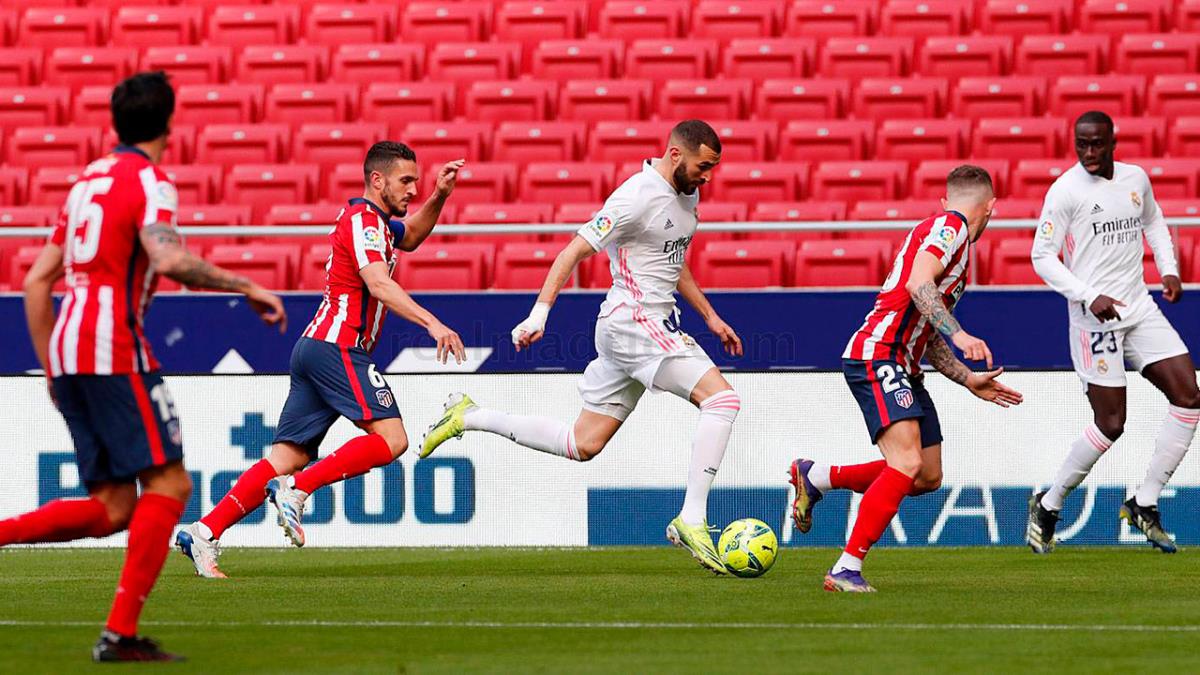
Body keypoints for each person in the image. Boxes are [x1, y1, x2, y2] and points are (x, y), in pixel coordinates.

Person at [2, 71, 287, 661]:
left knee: (114, 507)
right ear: (169, 124)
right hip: (111, 344)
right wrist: (246, 285)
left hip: (67, 346)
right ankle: (120, 634)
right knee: (171, 485)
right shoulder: (150, 180)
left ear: (116, 121)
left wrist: (52, 368)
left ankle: (115, 632)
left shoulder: (86, 182)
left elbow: (35, 282)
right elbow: (168, 257)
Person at [420, 120, 743, 574]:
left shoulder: (686, 193)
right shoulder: (635, 196)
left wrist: (709, 316)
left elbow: (672, 257)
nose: (707, 176)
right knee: (723, 401)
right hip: (634, 322)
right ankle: (691, 519)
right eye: (703, 166)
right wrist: (539, 314)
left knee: (582, 443)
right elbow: (572, 251)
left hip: (642, 326)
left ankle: (469, 416)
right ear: (675, 154)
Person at [177, 142, 466, 576]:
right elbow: (378, 284)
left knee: (286, 457)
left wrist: (439, 195)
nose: (412, 189)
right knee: (392, 440)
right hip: (338, 345)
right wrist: (433, 323)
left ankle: (203, 533)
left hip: (316, 346)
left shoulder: (377, 224)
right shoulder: (363, 221)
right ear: (377, 180)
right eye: (406, 181)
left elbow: (412, 235)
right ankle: (297, 490)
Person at [789, 165, 1023, 592]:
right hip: (878, 354)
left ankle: (818, 476)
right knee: (907, 462)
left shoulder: (951, 241)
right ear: (991, 206)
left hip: (905, 365)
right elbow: (919, 285)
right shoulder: (951, 227)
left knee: (926, 475)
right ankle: (846, 568)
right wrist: (961, 334)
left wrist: (968, 379)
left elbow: (926, 329)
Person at [1026, 111, 1198, 555]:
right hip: (1094, 321)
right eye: (1081, 144)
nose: (1088, 152)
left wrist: (1169, 269)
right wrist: (1088, 295)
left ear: (1112, 142)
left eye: (1097, 144)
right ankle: (1049, 504)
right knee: (1111, 424)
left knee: (1189, 396)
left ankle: (1144, 502)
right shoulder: (1065, 191)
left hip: (1139, 307)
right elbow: (1041, 256)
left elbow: (1154, 222)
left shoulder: (1135, 179)